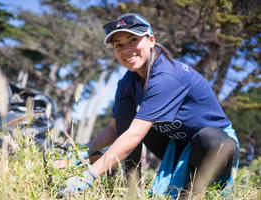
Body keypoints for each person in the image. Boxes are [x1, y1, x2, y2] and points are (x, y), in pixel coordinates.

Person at [59, 13, 239, 199]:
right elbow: (114, 130)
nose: (126, 49)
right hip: (177, 145)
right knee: (127, 125)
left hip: (216, 148)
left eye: (133, 40)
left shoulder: (166, 76)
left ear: (151, 40)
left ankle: (193, 194)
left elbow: (135, 134)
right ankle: (130, 187)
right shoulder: (127, 82)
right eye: (118, 45)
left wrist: (88, 177)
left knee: (210, 138)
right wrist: (80, 153)